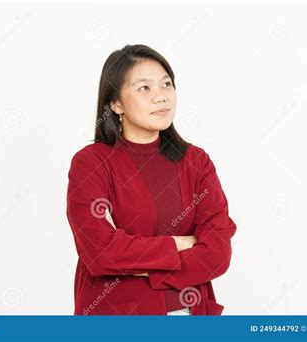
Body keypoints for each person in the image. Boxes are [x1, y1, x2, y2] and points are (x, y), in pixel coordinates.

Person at [66, 44, 237, 315]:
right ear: (116, 103)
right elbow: (100, 253)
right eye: (144, 88)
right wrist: (180, 243)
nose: (161, 97)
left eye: (166, 85)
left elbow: (217, 254)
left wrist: (137, 261)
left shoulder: (196, 161)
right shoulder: (91, 163)